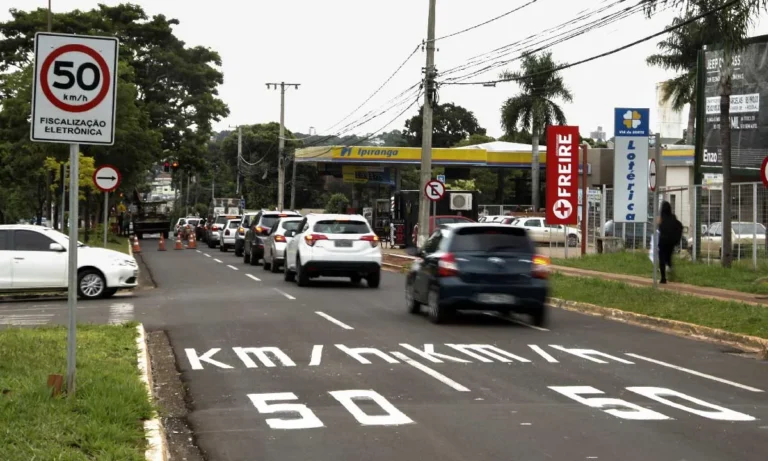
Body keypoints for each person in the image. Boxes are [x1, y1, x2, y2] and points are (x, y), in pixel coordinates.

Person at [657, 201, 683, 284]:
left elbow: (659, 228)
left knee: (661, 259)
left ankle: (663, 278)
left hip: (662, 241)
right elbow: (679, 225)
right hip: (671, 242)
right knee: (668, 256)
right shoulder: (673, 217)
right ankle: (669, 267)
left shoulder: (661, 218)